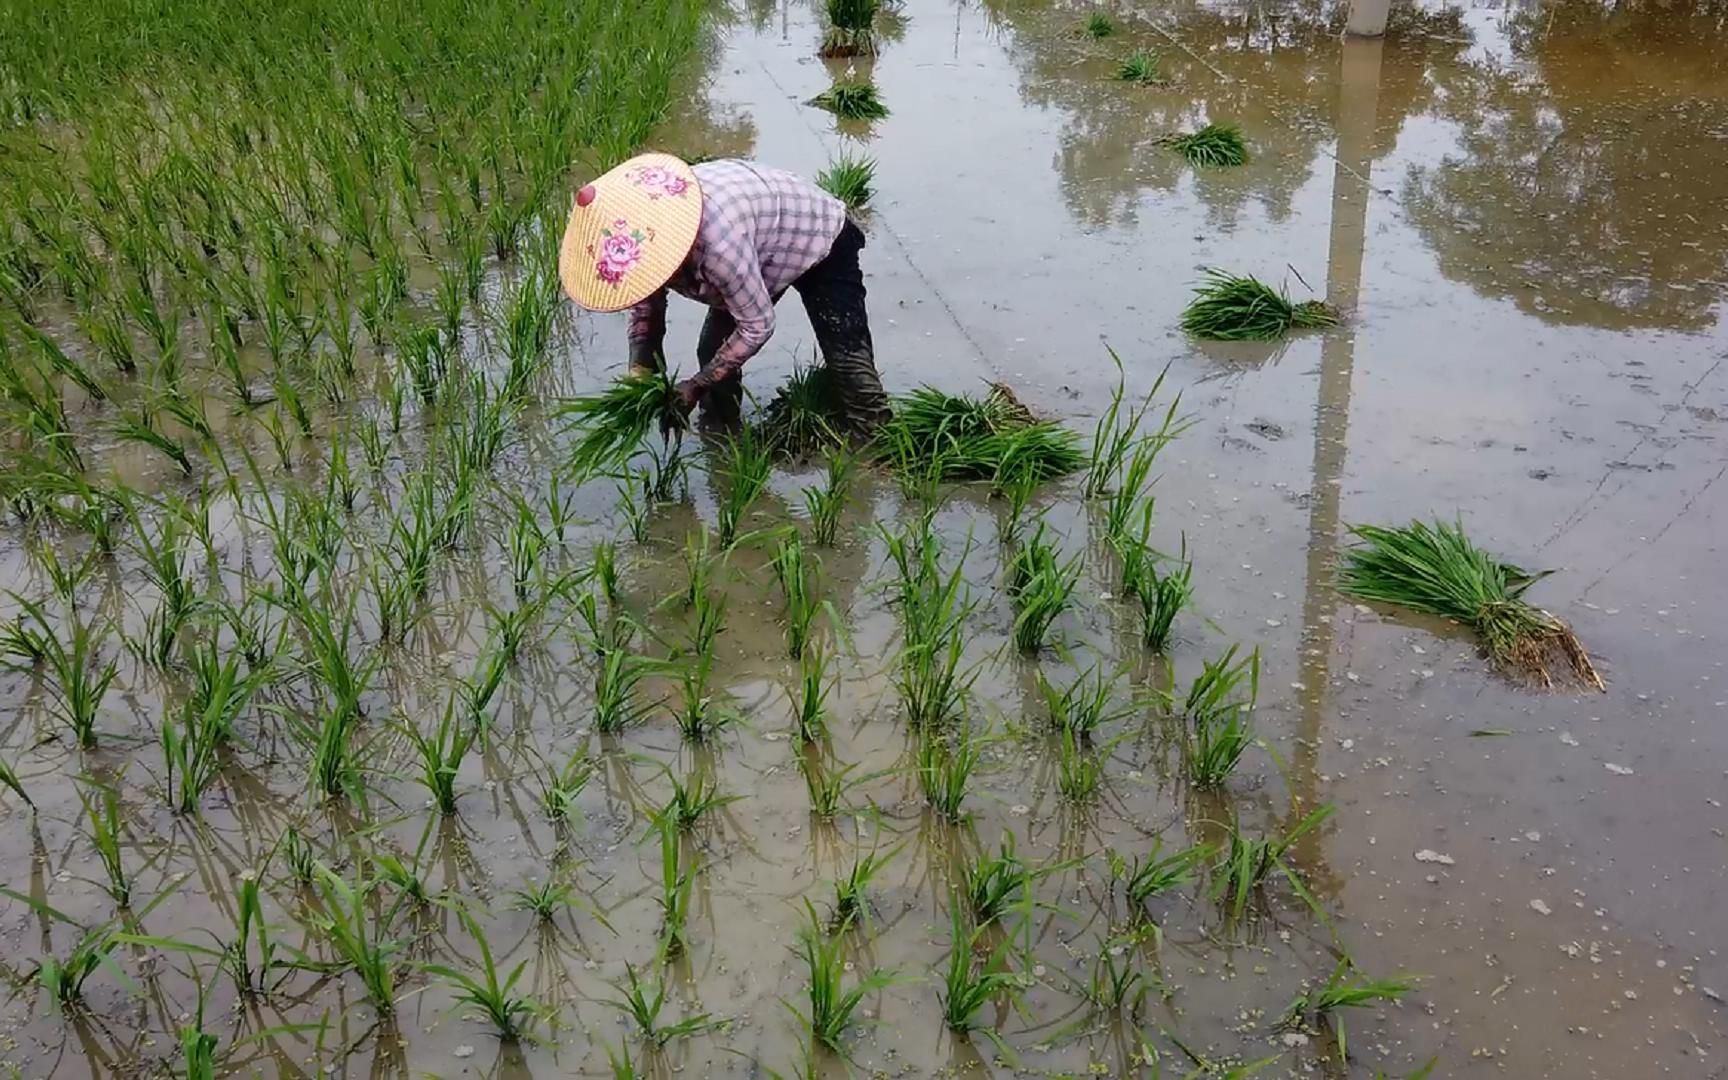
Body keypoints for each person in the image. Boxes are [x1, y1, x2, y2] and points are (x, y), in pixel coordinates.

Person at [558, 152, 889, 435]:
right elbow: (647, 310)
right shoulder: (644, 244)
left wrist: (696, 385)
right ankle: (721, 435)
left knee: (848, 360)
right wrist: (640, 374)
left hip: (818, 233)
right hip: (760, 238)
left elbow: (757, 325)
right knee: (712, 348)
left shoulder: (719, 249)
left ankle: (874, 443)